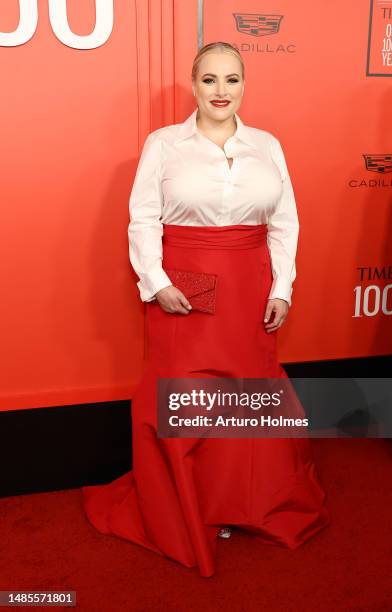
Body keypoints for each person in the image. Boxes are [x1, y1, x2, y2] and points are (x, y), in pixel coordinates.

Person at [81, 41, 330, 578]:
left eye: (232, 80)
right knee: (186, 399)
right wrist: (156, 280)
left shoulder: (267, 145)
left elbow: (285, 221)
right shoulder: (164, 144)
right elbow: (143, 217)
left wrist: (282, 287)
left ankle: (239, 505)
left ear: (244, 85)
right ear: (193, 86)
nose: (222, 91)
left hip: (249, 287)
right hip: (183, 290)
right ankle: (184, 509)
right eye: (211, 80)